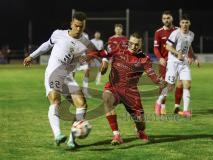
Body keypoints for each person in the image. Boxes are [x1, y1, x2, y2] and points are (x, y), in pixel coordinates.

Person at [23, 12, 108, 149]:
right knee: (55, 101)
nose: (79, 29)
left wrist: (104, 61)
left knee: (82, 104)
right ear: (71, 24)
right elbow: (47, 45)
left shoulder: (85, 42)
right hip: (53, 73)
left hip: (67, 76)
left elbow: (101, 52)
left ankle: (72, 140)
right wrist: (32, 56)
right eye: (76, 26)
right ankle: (57, 134)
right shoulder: (58, 34)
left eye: (82, 26)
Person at [103, 32, 164, 145]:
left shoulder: (144, 58)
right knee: (107, 99)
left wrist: (159, 81)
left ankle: (140, 131)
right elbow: (104, 53)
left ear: (140, 44)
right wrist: (105, 62)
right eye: (131, 43)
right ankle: (117, 135)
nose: (133, 46)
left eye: (136, 44)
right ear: (128, 42)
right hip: (114, 87)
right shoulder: (118, 50)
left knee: (141, 123)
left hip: (131, 93)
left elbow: (151, 74)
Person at [157, 14, 199, 118]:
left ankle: (185, 111)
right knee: (170, 86)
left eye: (186, 22)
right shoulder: (175, 33)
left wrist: (194, 57)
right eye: (183, 22)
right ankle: (158, 102)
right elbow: (167, 46)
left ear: (189, 23)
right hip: (173, 62)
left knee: (187, 85)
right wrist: (177, 53)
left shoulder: (191, 34)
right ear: (180, 24)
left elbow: (189, 47)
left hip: (183, 63)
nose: (184, 24)